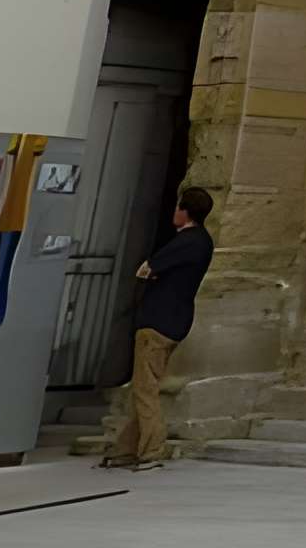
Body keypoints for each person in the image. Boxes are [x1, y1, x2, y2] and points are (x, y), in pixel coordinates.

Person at [98, 185, 214, 470]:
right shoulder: (204, 242)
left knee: (145, 390)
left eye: (178, 207)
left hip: (158, 320)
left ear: (184, 211)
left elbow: (146, 268)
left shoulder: (187, 240)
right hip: (177, 320)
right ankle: (127, 448)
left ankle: (152, 449)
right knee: (144, 387)